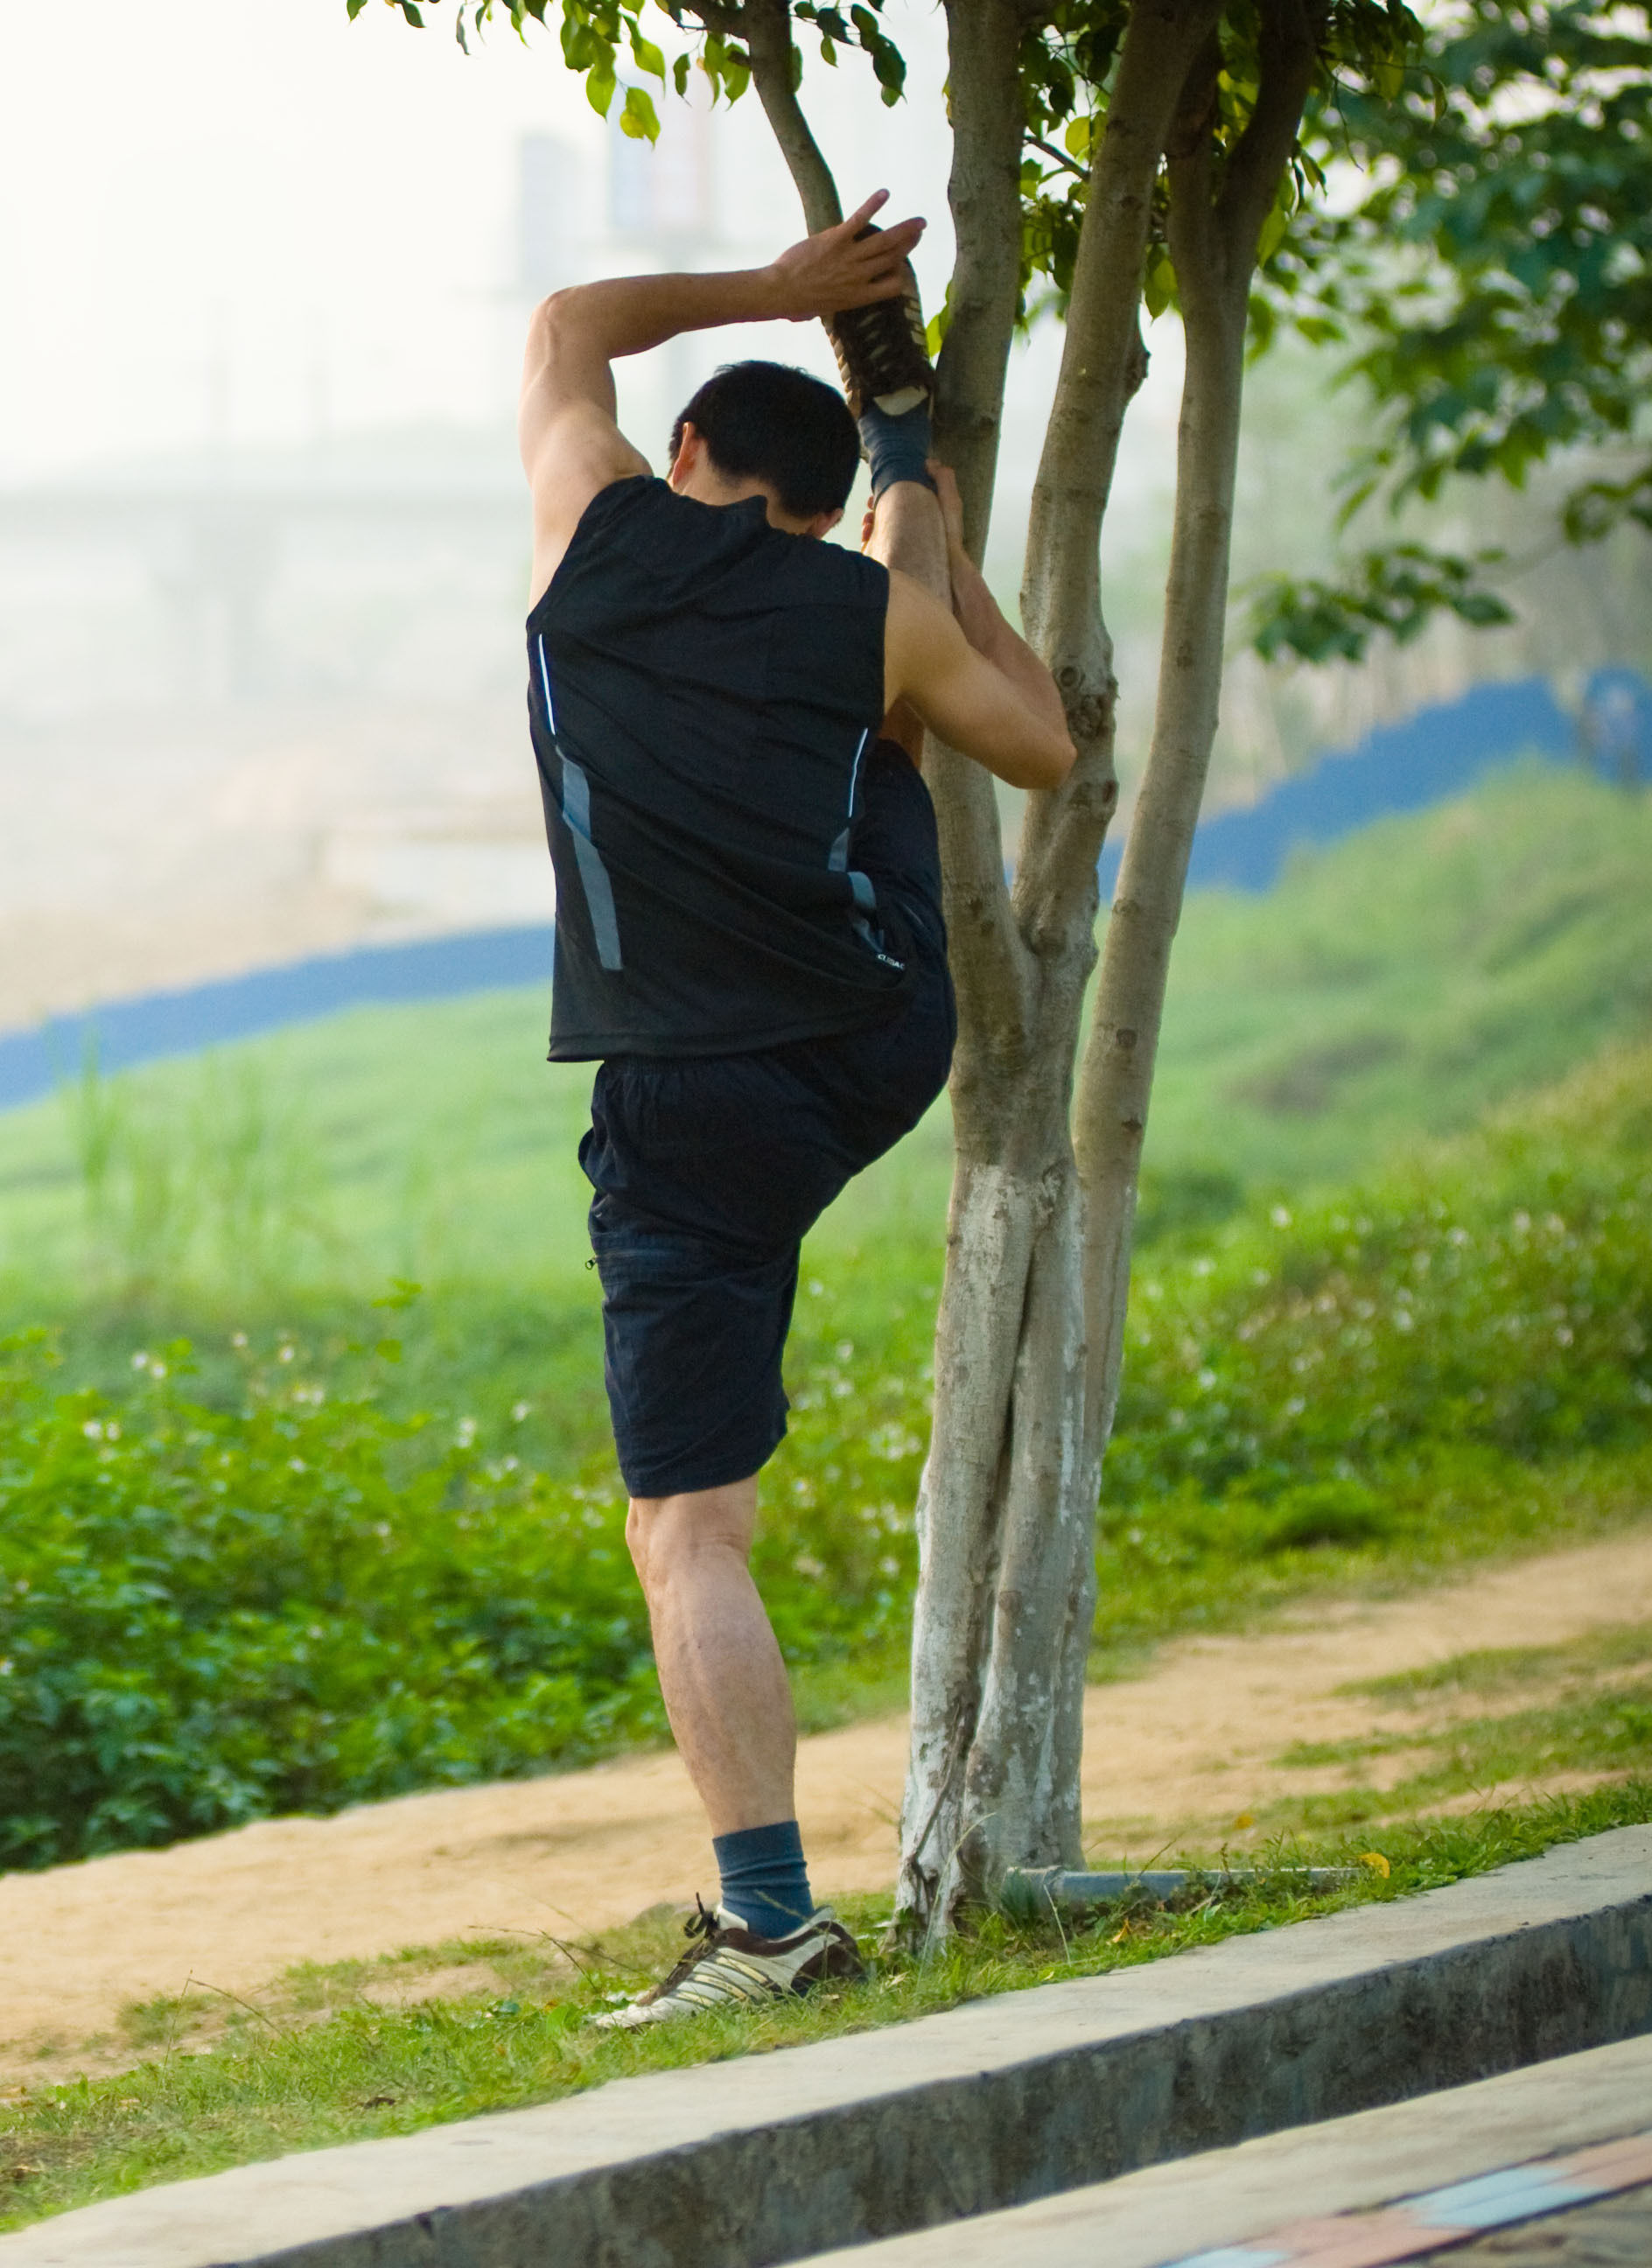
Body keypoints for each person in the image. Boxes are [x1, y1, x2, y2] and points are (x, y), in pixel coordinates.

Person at [514, 194, 1076, 2026]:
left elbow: (566, 328)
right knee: (882, 731)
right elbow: (1049, 751)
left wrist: (778, 291)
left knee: (686, 1530)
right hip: (870, 1038)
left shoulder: (588, 554)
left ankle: (769, 1923)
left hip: (693, 1090)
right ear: (824, 509)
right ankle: (914, 464)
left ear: (681, 456)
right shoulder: (872, 616)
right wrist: (935, 557)